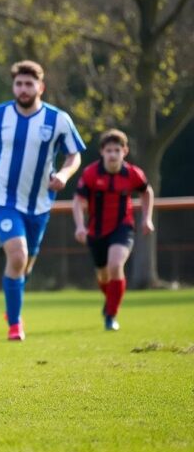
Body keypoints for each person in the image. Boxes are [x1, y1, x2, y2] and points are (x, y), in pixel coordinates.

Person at [0, 60, 85, 341]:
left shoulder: (58, 119)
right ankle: (15, 324)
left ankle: (13, 301)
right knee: (17, 256)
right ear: (13, 86)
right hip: (3, 199)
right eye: (18, 83)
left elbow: (74, 154)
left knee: (26, 264)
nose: (23, 89)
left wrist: (65, 174)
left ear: (40, 87)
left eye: (29, 84)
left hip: (40, 203)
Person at [72, 129, 154, 331]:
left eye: (117, 150)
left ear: (124, 151)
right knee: (103, 275)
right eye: (109, 150)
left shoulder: (133, 173)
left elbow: (147, 192)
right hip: (96, 231)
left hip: (122, 228)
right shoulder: (91, 173)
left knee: (115, 265)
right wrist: (80, 226)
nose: (113, 154)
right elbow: (78, 200)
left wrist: (147, 218)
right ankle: (111, 301)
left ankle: (111, 315)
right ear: (102, 152)